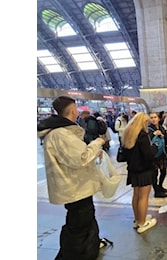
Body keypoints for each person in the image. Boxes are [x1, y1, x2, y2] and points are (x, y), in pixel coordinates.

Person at [37, 96, 108, 259]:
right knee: (78, 226)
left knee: (82, 223)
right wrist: (97, 143)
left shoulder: (61, 132)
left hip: (77, 187)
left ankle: (87, 250)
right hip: (75, 188)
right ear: (72, 110)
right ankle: (72, 255)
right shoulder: (61, 134)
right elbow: (81, 158)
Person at [122, 112, 158, 234]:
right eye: (146, 122)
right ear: (142, 123)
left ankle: (138, 219)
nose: (148, 124)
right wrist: (155, 147)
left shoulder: (128, 134)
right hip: (144, 169)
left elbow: (121, 156)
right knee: (143, 197)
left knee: (136, 196)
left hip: (132, 169)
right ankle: (143, 223)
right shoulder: (142, 135)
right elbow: (148, 155)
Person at [148, 112, 167, 198]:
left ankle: (160, 186)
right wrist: (152, 135)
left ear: (158, 118)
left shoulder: (162, 128)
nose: (153, 119)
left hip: (162, 153)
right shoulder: (148, 129)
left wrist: (162, 135)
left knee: (163, 171)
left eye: (155, 117)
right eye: (151, 117)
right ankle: (156, 191)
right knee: (154, 174)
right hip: (153, 155)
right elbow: (145, 142)